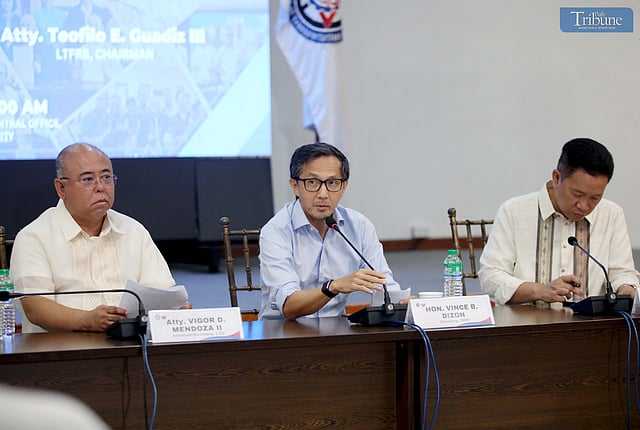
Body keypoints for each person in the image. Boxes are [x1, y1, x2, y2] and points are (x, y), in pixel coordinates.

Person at [10, 142, 189, 333]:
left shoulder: (133, 231)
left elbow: (161, 291)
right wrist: (86, 320)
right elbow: (36, 307)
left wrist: (173, 308)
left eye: (106, 177)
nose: (100, 187)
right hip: (62, 347)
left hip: (131, 343)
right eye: (88, 179)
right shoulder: (34, 237)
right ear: (61, 188)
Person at [479, 137, 639, 305]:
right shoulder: (514, 211)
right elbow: (490, 277)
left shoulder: (612, 214)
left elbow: (622, 273)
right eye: (577, 194)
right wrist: (539, 291)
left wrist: (626, 288)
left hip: (592, 321)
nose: (584, 206)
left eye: (595, 197)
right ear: (556, 178)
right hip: (525, 320)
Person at [259, 142, 401, 320]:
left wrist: (402, 302)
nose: (323, 194)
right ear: (295, 186)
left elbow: (384, 284)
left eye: (332, 183)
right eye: (312, 182)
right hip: (282, 331)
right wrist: (332, 287)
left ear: (344, 186)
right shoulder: (276, 231)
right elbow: (289, 306)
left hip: (335, 331)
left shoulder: (359, 226)